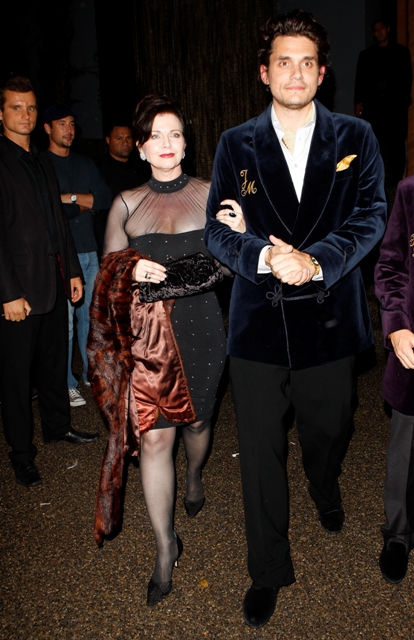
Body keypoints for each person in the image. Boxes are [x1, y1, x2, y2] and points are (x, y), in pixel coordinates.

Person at [205, 10, 387, 629]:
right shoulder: (235, 143)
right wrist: (263, 255)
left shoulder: (357, 136)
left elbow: (372, 215)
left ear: (322, 73)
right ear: (265, 72)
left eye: (307, 62)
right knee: (259, 450)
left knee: (330, 426)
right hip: (258, 319)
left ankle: (324, 482)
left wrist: (315, 261)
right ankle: (268, 569)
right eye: (284, 61)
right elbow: (216, 231)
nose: (296, 73)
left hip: (330, 315)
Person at [100, 94, 241, 607]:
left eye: (175, 134)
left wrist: (241, 236)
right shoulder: (126, 204)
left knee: (198, 424)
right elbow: (107, 275)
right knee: (156, 439)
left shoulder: (211, 194)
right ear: (140, 147)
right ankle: (165, 548)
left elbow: (233, 266)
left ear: (186, 143)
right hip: (150, 340)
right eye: (155, 136)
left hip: (203, 330)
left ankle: (196, 473)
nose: (166, 144)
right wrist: (128, 267)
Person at [0, 77, 99, 489]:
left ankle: (58, 427)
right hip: (17, 290)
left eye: (30, 107)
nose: (25, 114)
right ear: (1, 113)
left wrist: (72, 270)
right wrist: (7, 293)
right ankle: (22, 455)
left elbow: (59, 223)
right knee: (16, 378)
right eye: (16, 107)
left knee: (55, 362)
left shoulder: (42, 161)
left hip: (54, 281)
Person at [43, 105, 112, 407]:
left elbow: (105, 198)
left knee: (91, 319)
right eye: (62, 124)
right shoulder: (41, 163)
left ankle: (89, 374)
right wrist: (83, 204)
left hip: (89, 250)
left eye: (71, 124)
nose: (69, 130)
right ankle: (67, 383)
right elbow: (48, 208)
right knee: (66, 324)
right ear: (48, 128)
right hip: (61, 253)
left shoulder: (84, 163)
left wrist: (68, 199)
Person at [374, 177, 414, 584]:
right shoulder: (410, 192)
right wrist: (398, 325)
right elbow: (391, 267)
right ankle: (398, 534)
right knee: (405, 449)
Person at [354, 19, 412, 187]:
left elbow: (407, 77)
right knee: (375, 144)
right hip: (374, 110)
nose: (379, 32)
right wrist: (358, 101)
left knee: (396, 146)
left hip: (395, 109)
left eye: (381, 29)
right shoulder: (366, 55)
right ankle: (377, 182)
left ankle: (396, 183)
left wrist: (404, 99)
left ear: (388, 29)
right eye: (375, 30)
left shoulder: (401, 52)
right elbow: (360, 80)